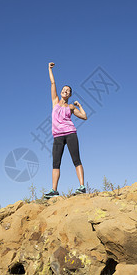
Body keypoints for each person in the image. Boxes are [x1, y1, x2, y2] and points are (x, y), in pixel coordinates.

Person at [44, 62, 88, 199]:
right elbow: (52, 84)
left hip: (70, 133)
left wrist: (79, 105)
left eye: (68, 90)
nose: (65, 91)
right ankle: (54, 190)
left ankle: (82, 187)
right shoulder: (55, 101)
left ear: (70, 94)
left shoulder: (71, 107)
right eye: (64, 89)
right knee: (55, 162)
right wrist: (49, 69)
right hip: (57, 136)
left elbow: (85, 117)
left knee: (76, 159)